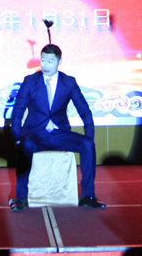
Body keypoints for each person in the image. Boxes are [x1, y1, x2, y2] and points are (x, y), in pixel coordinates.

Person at [9, 44, 106, 211]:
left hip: (60, 134)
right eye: (43, 60)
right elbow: (18, 110)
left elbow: (84, 110)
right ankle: (22, 197)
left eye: (50, 61)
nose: (45, 65)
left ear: (59, 62)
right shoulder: (30, 81)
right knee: (26, 145)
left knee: (87, 145)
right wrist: (17, 137)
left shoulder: (68, 82)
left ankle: (88, 196)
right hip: (35, 135)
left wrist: (89, 135)